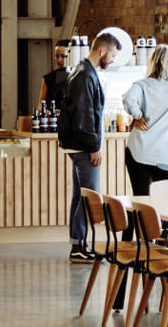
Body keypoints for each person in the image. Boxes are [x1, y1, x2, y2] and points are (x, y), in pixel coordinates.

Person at [58, 32, 121, 262]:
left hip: (75, 145)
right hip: (84, 147)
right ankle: (79, 247)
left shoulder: (81, 71)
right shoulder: (86, 76)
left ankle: (78, 245)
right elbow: (84, 117)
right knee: (89, 197)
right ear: (102, 51)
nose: (113, 60)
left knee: (79, 196)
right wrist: (94, 147)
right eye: (113, 55)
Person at [122, 44, 168, 197]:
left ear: (152, 62)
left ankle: (139, 222)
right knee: (165, 202)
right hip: (165, 155)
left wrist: (137, 115)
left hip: (139, 151)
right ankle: (162, 223)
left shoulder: (142, 85)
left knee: (140, 199)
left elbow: (128, 98)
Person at [37, 39, 70, 110]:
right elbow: (40, 106)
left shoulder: (77, 76)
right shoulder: (49, 78)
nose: (59, 60)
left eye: (63, 56)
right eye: (57, 56)